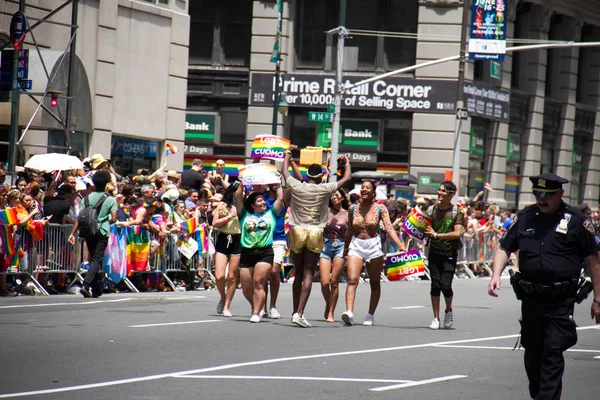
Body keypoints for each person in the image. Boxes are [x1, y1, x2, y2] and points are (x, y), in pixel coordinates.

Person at [488, 173, 600, 400]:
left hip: (560, 300)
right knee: (533, 356)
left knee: (552, 352)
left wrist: (598, 299)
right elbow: (504, 247)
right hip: (531, 299)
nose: (541, 199)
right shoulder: (526, 217)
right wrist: (495, 274)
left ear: (560, 194)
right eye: (538, 194)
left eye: (547, 195)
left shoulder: (577, 221)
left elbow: (594, 260)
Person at [281, 146, 351, 328]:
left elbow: (284, 170)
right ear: (320, 176)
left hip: (296, 230)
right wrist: (347, 164)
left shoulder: (297, 185)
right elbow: (347, 179)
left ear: (308, 175)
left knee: (298, 273)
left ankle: (295, 311)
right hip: (314, 231)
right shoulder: (324, 188)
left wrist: (288, 153)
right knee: (308, 274)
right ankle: (300, 313)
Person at [342, 180, 405, 326]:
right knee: (352, 279)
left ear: (373, 192)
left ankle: (370, 314)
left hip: (373, 246)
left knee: (375, 282)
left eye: (367, 188)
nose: (364, 190)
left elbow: (389, 227)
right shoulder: (353, 208)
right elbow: (350, 230)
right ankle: (349, 312)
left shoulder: (380, 208)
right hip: (356, 244)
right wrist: (345, 248)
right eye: (362, 187)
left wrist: (399, 245)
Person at [233, 180, 283, 323]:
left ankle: (256, 312)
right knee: (246, 287)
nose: (263, 202)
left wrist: (278, 184)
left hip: (265, 252)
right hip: (247, 253)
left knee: (258, 282)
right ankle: (256, 304)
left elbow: (280, 198)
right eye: (260, 200)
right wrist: (241, 182)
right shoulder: (244, 215)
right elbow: (238, 197)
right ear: (252, 204)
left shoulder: (271, 214)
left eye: (263, 200)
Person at [68, 171, 118, 298]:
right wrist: (104, 219)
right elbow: (114, 218)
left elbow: (80, 217)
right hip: (102, 230)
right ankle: (86, 284)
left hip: (88, 230)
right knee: (97, 259)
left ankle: (96, 289)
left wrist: (72, 233)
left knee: (93, 258)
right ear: (106, 184)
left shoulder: (86, 199)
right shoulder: (110, 199)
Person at [423, 180, 464, 330]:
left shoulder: (456, 213)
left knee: (445, 285)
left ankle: (448, 310)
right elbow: (426, 229)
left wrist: (437, 234)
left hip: (449, 253)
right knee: (435, 285)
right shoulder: (431, 210)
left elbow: (457, 233)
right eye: (439, 190)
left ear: (451, 195)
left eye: (444, 191)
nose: (440, 193)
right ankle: (436, 318)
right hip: (434, 252)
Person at [211, 184, 241, 317]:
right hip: (224, 238)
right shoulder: (223, 205)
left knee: (232, 277)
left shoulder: (244, 205)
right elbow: (214, 223)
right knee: (219, 275)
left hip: (238, 240)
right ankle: (223, 297)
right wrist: (229, 217)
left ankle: (227, 306)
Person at [320, 188, 349, 323]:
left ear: (342, 197)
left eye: (336, 195)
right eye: (332, 196)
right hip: (325, 246)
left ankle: (331, 312)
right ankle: (328, 303)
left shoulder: (348, 214)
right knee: (325, 282)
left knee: (334, 282)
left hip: (341, 247)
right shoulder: (326, 211)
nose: (334, 198)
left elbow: (353, 231)